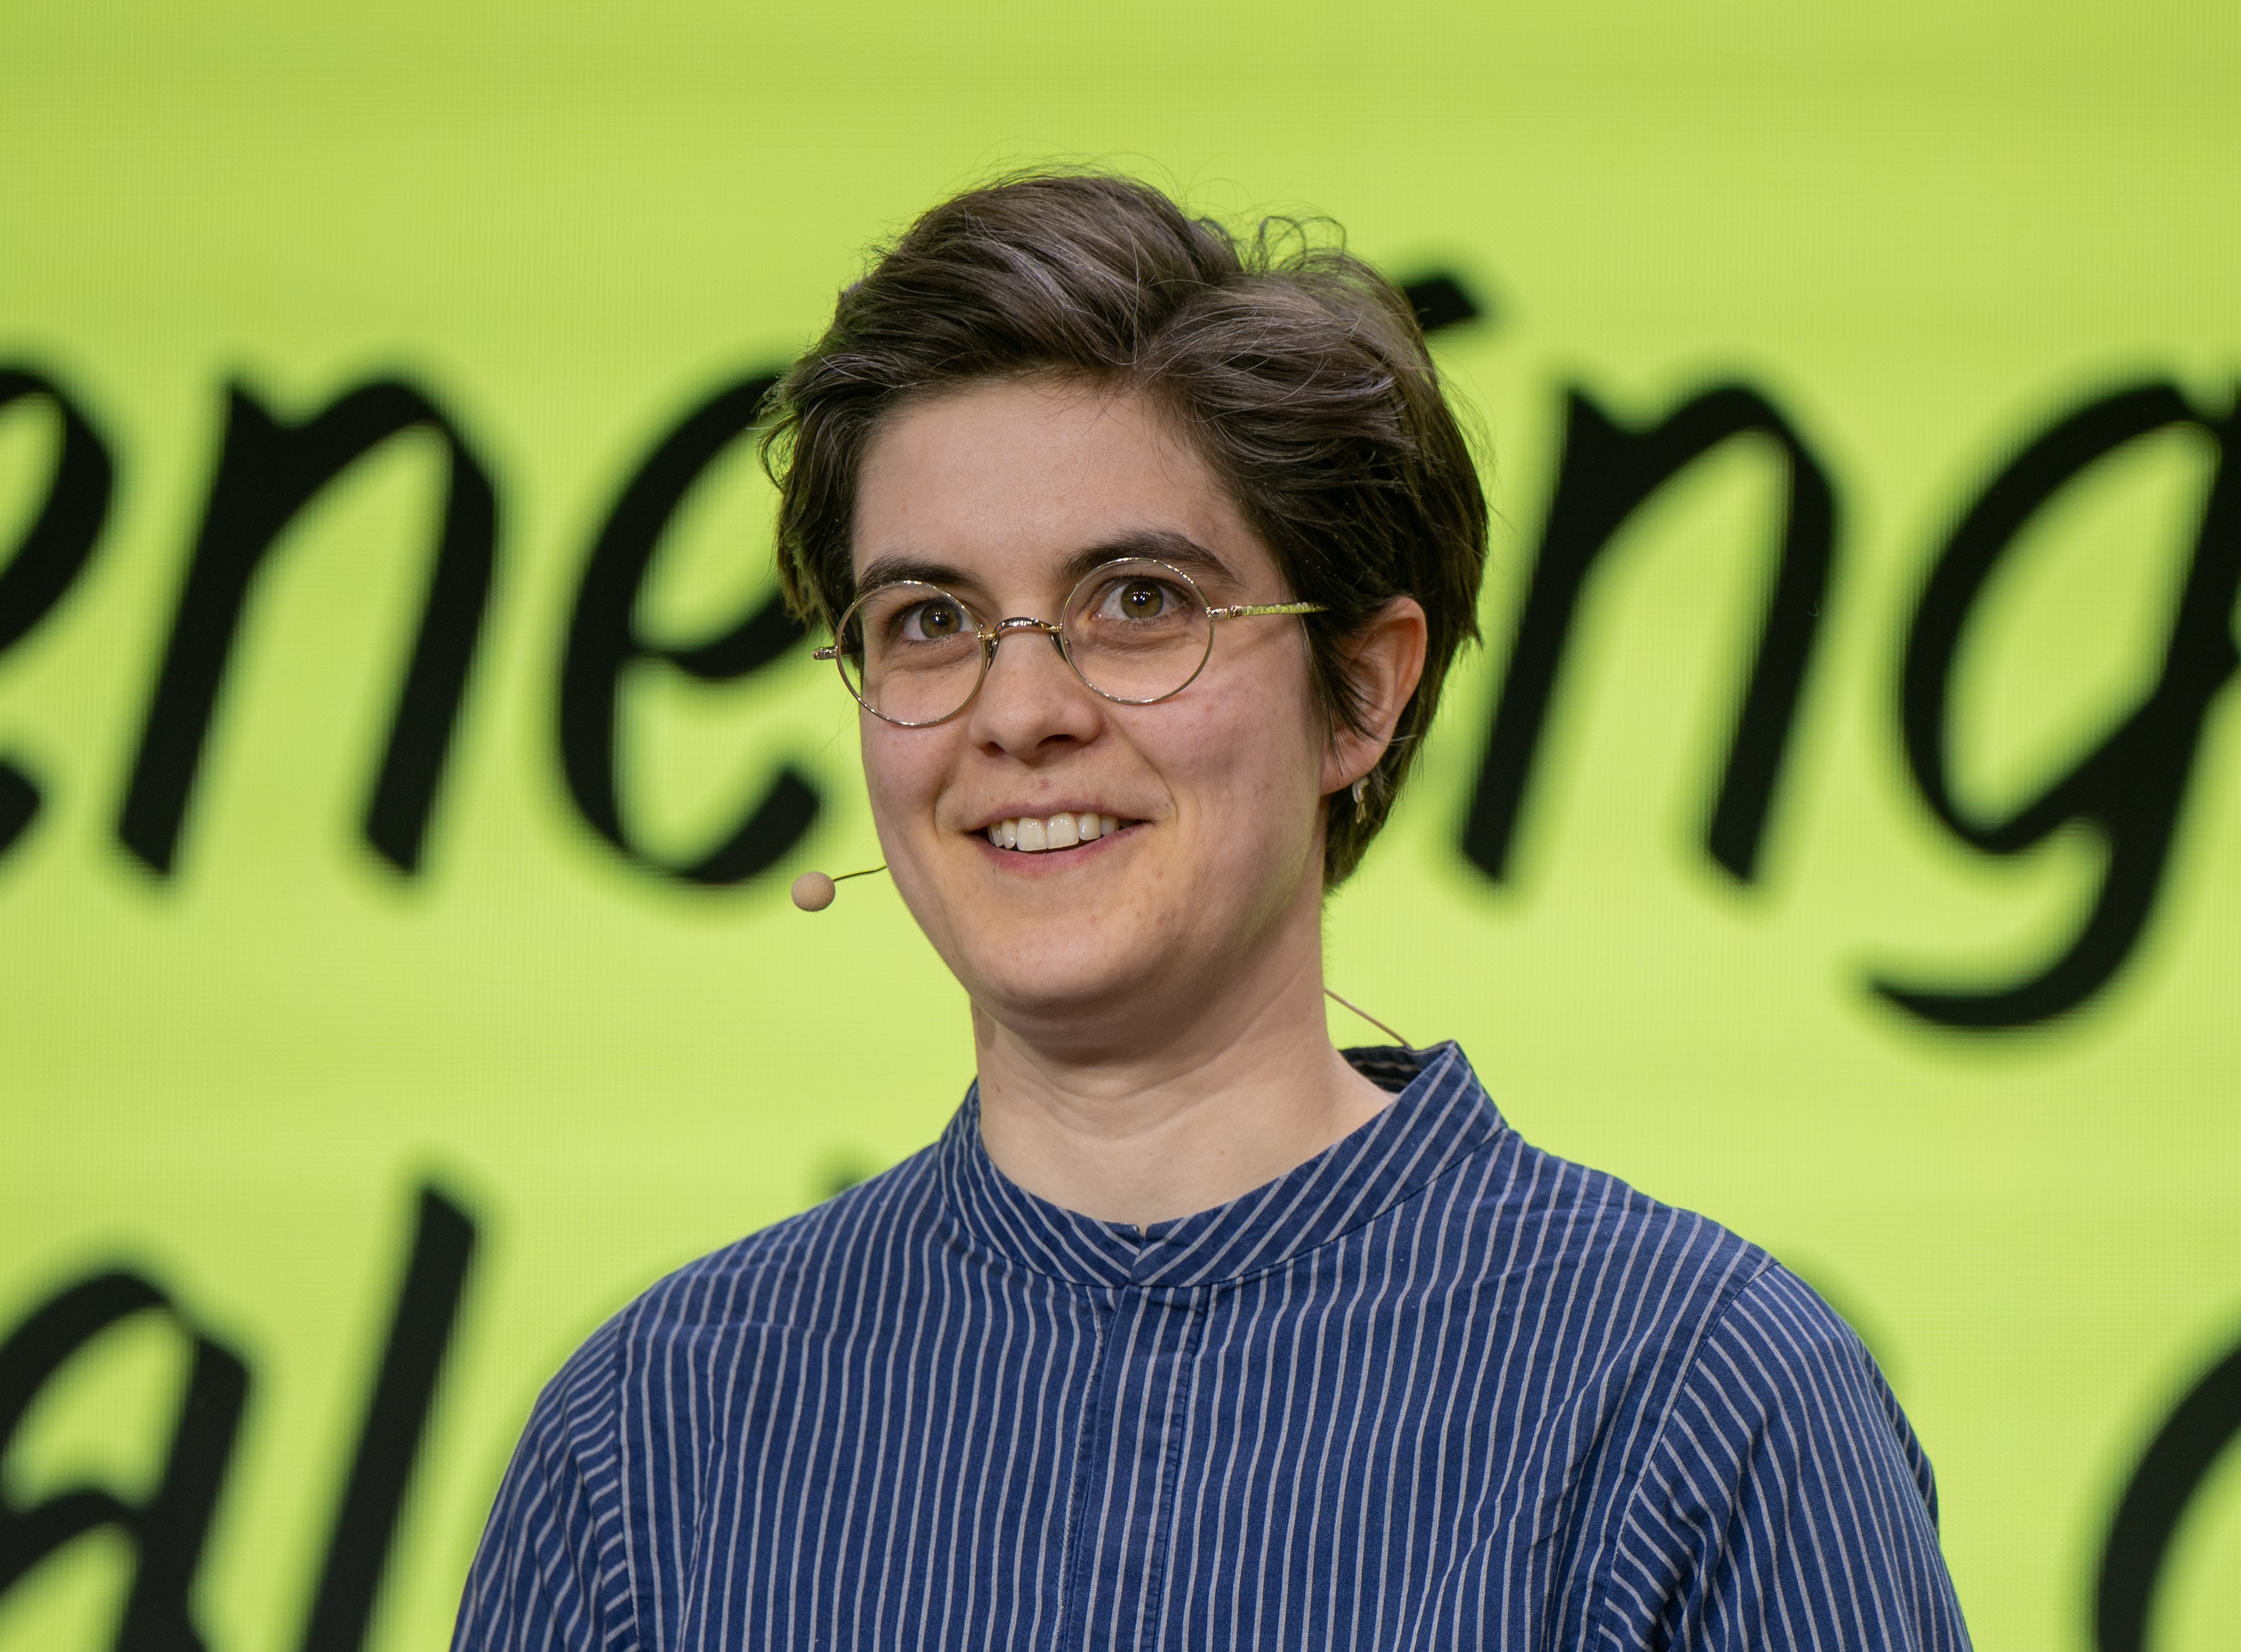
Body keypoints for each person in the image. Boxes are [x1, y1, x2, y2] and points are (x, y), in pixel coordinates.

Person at [454, 170, 1970, 1650]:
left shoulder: (1697, 1395)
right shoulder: (650, 1439)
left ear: (1361, 690)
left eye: (1137, 601)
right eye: (930, 621)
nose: (1020, 712)